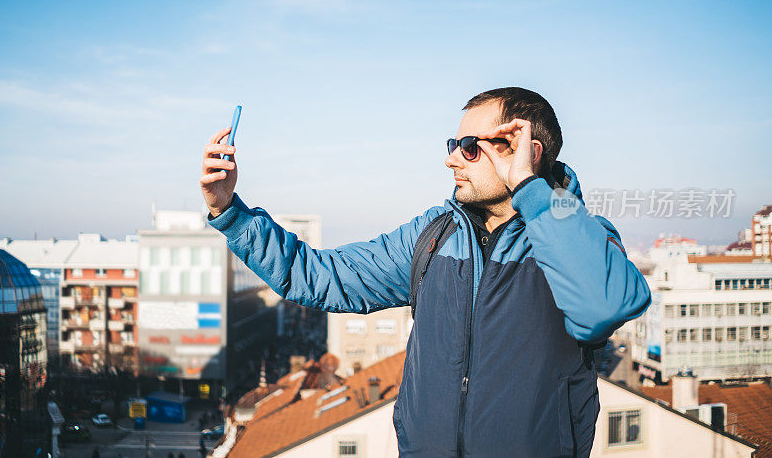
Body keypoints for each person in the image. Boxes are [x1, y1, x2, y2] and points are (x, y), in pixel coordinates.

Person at [200, 87, 651, 457]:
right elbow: (319, 276)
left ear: (527, 154)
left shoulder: (579, 238)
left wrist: (532, 191)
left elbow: (604, 307)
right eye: (453, 145)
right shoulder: (434, 236)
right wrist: (231, 213)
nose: (452, 159)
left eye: (470, 148)